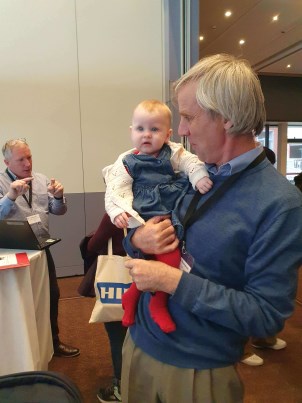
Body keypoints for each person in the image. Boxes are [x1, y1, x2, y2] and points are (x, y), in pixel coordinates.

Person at [120, 54, 302, 403]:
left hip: (196, 369)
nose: (182, 131)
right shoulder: (195, 173)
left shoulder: (280, 204)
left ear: (229, 119)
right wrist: (136, 238)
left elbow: (266, 316)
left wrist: (173, 282)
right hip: (140, 339)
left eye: (188, 117)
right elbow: (157, 234)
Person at [103, 99, 213, 333]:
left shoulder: (172, 152)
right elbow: (115, 190)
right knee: (164, 261)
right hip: (142, 218)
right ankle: (158, 302)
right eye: (140, 129)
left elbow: (190, 162)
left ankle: (133, 296)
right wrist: (117, 213)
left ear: (168, 134)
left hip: (167, 213)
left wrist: (198, 177)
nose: (147, 135)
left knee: (163, 261)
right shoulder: (126, 161)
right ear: (131, 131)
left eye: (155, 129)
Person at [0, 138, 80, 358]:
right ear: (7, 163)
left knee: (51, 295)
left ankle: (53, 343)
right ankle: (21, 350)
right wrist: (11, 196)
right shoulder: (1, 183)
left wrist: (58, 197)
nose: (27, 163)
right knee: (20, 300)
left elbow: (58, 211)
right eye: (21, 159)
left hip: (42, 247)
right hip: (13, 251)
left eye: (29, 157)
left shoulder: (42, 179)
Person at [240, 146, 287, 366]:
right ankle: (243, 347)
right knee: (239, 293)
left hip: (259, 251)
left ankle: (262, 337)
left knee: (264, 290)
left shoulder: (276, 193)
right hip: (240, 255)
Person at [82, 213, 127, 403]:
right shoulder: (161, 206)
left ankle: (121, 389)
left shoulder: (117, 211)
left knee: (118, 337)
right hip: (152, 282)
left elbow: (93, 245)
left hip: (120, 280)